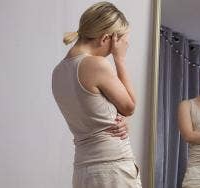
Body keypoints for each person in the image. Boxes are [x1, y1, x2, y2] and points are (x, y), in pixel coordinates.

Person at [52, 2, 141, 188]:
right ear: (105, 38)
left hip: (83, 170)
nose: (112, 52)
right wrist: (120, 59)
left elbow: (92, 112)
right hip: (113, 167)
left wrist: (115, 118)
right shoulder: (96, 64)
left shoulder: (58, 71)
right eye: (113, 47)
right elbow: (129, 106)